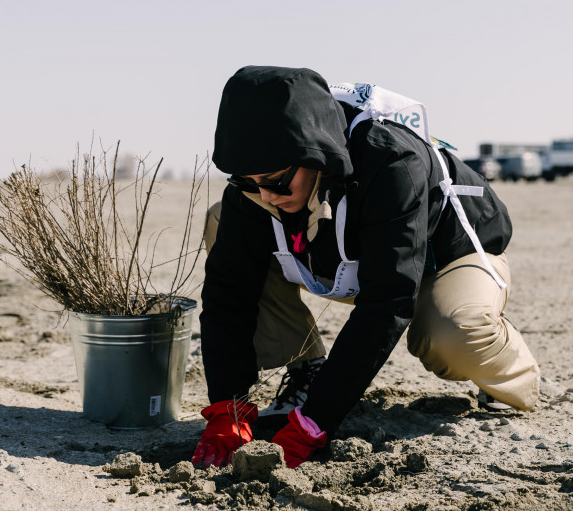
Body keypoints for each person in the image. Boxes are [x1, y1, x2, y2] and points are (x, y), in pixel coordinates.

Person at [192, 66, 540, 469]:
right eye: (249, 182)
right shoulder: (259, 188)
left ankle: (511, 369)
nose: (266, 195)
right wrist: (227, 407)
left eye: (275, 181)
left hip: (443, 259)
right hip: (350, 259)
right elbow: (227, 294)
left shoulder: (392, 161)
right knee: (224, 220)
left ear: (315, 152)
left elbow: (387, 302)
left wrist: (315, 422)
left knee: (453, 335)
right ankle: (307, 371)